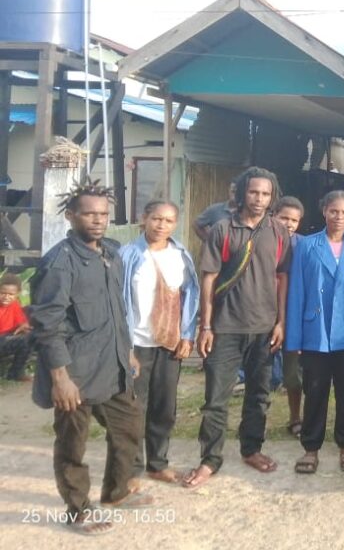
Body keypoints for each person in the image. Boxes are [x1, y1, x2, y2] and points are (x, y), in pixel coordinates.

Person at [31, 181, 151, 536]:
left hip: (113, 366)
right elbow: (47, 324)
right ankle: (78, 509)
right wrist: (60, 378)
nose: (98, 220)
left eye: (103, 214)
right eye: (89, 213)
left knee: (129, 429)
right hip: (75, 373)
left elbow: (118, 310)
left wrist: (127, 350)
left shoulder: (111, 253)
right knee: (73, 444)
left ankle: (115, 492)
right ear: (71, 216)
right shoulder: (60, 262)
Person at [183, 167, 292, 488]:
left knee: (259, 395)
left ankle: (251, 448)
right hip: (225, 328)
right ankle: (210, 459)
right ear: (243, 192)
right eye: (254, 192)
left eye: (266, 194)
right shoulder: (221, 229)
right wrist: (205, 326)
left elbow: (283, 278)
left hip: (264, 328)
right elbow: (209, 278)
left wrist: (281, 322)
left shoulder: (279, 231)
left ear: (273, 197)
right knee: (216, 398)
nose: (259, 199)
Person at [287, 191, 344, 475]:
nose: (339, 217)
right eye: (333, 211)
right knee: (315, 391)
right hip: (317, 331)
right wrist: (295, 336)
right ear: (324, 211)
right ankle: (310, 448)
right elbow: (297, 291)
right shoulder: (307, 245)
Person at [119, 200, 200, 484]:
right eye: (156, 219)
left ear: (175, 224)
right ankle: (132, 468)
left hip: (168, 343)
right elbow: (117, 300)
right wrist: (122, 346)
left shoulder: (181, 255)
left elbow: (191, 296)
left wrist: (187, 335)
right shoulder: (127, 254)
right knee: (134, 407)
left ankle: (158, 463)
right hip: (136, 343)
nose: (161, 225)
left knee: (164, 407)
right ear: (144, 218)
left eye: (167, 221)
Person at [272, 196, 305, 437]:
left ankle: (296, 417)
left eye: (294, 220)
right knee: (260, 375)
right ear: (274, 215)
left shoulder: (305, 246)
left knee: (293, 375)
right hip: (262, 313)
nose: (289, 223)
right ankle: (254, 422)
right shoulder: (261, 241)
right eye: (284, 217)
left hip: (293, 316)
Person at [0, 272, 32, 381]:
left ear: (17, 294)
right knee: (23, 341)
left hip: (6, 338)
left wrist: (23, 326)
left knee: (29, 338)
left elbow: (22, 322)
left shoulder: (15, 304)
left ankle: (15, 374)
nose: (6, 297)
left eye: (11, 294)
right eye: (3, 293)